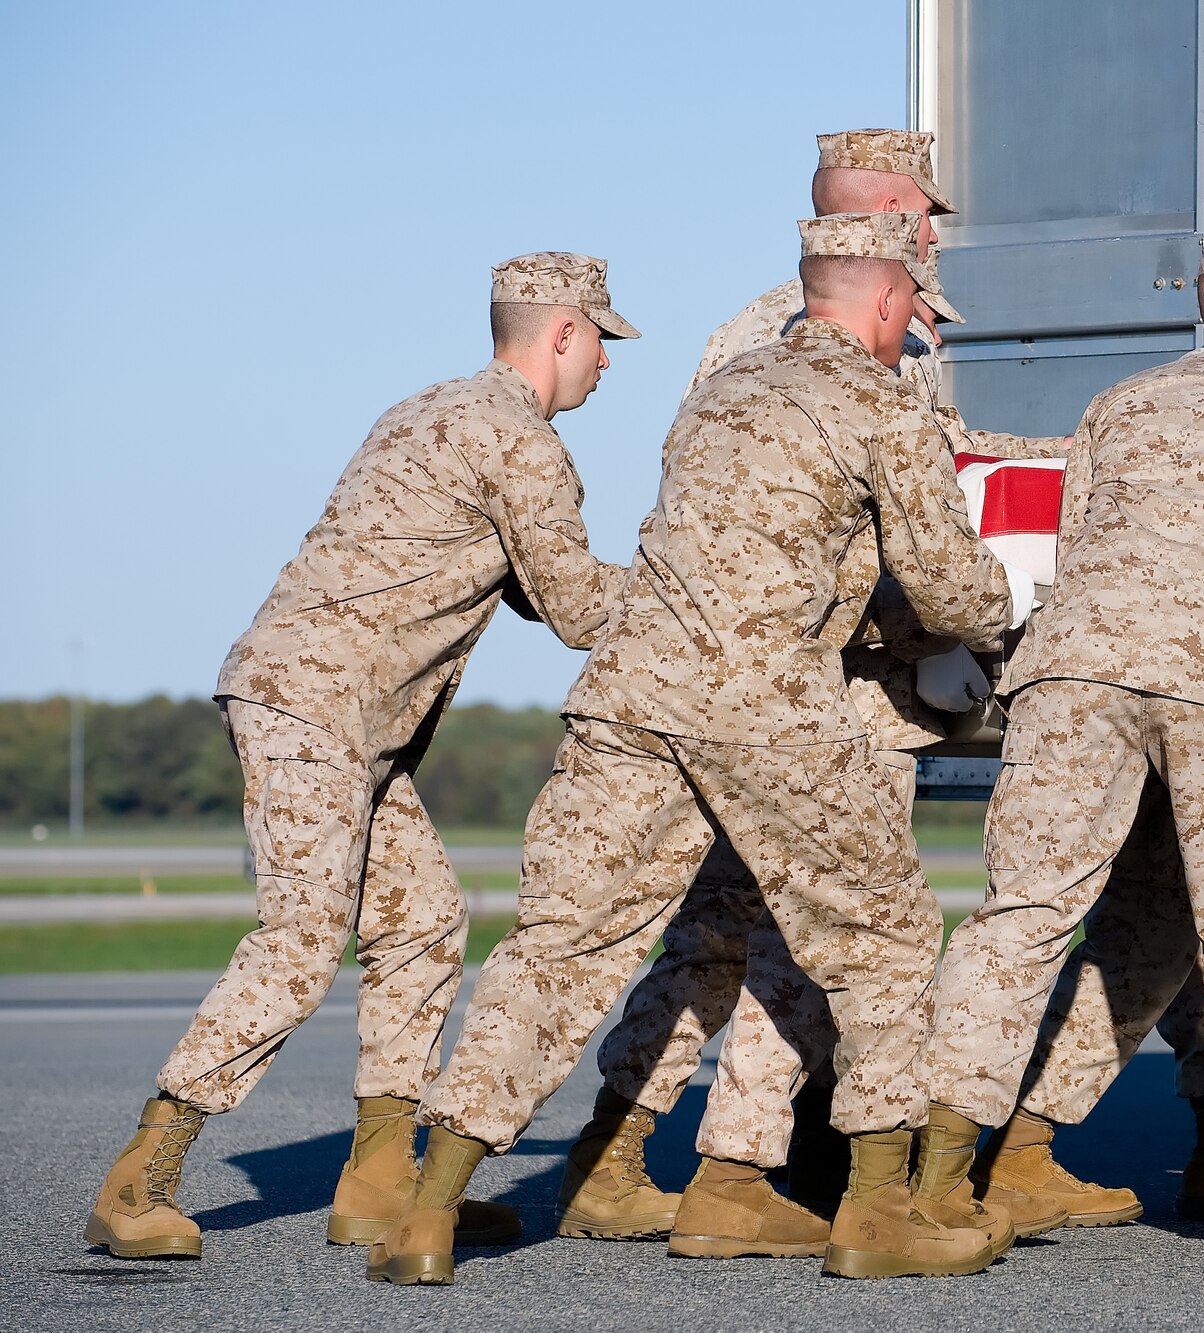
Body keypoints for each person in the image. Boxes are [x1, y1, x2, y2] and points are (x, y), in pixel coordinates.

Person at [368, 210, 1026, 1285]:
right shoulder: (879, 402)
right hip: (767, 707)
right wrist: (1012, 621)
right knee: (887, 937)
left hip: (629, 699)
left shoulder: (720, 392)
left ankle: (426, 1214)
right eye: (913, 314)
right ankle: (876, 1214)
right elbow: (945, 578)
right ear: (891, 301)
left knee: (557, 946)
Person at [560, 131, 1068, 1258]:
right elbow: (882, 515)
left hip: (732, 685)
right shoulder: (833, 336)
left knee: (719, 928)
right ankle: (737, 1169)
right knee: (813, 938)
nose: (935, 232)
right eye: (923, 213)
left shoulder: (756, 334)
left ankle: (618, 1143)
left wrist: (1070, 450)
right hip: (826, 689)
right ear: (885, 211)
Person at [84, 254, 639, 1261]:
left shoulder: (423, 410)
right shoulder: (521, 443)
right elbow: (577, 607)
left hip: (329, 712)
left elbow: (510, 579)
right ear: (561, 332)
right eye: (603, 339)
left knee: (423, 921)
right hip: (319, 711)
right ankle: (141, 1177)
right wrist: (714, 588)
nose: (608, 364)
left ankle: (379, 1184)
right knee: (302, 936)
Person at [920, 228, 1204, 1268]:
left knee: (1021, 919)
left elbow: (1076, 548)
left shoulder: (1119, 405)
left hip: (1074, 671)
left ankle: (937, 1182)